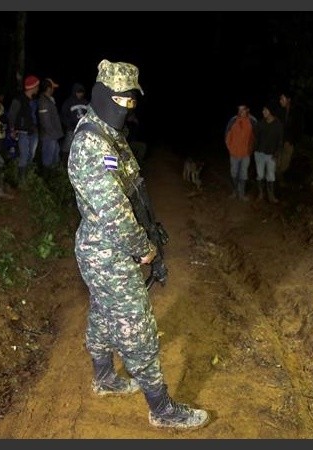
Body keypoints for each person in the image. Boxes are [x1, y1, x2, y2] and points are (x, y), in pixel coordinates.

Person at [66, 59, 209, 430]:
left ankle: (104, 378)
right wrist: (143, 248)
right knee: (137, 328)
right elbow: (115, 213)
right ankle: (161, 409)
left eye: (131, 102)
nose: (128, 108)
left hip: (107, 250)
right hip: (108, 252)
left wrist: (148, 230)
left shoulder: (108, 134)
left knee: (101, 312)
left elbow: (133, 190)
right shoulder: (91, 145)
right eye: (123, 100)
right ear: (103, 96)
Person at [8, 74, 40, 185]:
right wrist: (12, 129)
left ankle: (28, 177)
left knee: (31, 155)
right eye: (37, 86)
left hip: (33, 131)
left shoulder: (34, 100)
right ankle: (21, 181)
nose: (38, 88)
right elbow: (12, 115)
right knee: (24, 155)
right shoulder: (19, 99)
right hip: (23, 132)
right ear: (32, 87)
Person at [224, 104, 257, 201]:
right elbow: (227, 135)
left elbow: (255, 137)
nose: (241, 111)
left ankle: (241, 194)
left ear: (248, 110)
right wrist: (230, 148)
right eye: (239, 110)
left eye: (243, 109)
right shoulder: (233, 120)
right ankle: (235, 191)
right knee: (234, 173)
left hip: (245, 154)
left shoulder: (252, 121)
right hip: (234, 153)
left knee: (243, 174)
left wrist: (251, 149)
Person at [253, 104, 284, 204]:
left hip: (271, 155)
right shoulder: (260, 123)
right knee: (260, 175)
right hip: (259, 154)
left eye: (265, 110)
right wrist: (255, 149)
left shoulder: (278, 125)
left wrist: (277, 153)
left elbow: (280, 141)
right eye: (263, 110)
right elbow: (255, 138)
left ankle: (271, 196)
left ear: (271, 112)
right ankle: (261, 194)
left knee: (271, 176)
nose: (263, 112)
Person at [37, 77, 64, 174]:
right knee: (48, 161)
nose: (53, 89)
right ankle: (46, 180)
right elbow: (45, 122)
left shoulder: (49, 100)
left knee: (55, 158)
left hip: (53, 136)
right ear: (48, 88)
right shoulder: (43, 102)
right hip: (49, 136)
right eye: (52, 87)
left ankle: (52, 180)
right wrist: (53, 134)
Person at [277, 90, 303, 184]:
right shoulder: (280, 111)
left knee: (285, 162)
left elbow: (298, 128)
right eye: (280, 98)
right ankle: (275, 178)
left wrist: (291, 140)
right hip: (279, 141)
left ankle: (279, 175)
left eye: (282, 98)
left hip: (289, 142)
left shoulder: (296, 112)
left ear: (288, 99)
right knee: (277, 159)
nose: (280, 101)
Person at [60, 82, 90, 164]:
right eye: (78, 92)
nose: (80, 94)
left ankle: (79, 164)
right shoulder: (68, 102)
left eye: (82, 92)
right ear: (74, 92)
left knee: (83, 148)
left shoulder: (86, 103)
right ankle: (64, 165)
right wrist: (69, 124)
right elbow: (63, 115)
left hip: (83, 130)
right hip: (71, 129)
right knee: (67, 147)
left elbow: (91, 115)